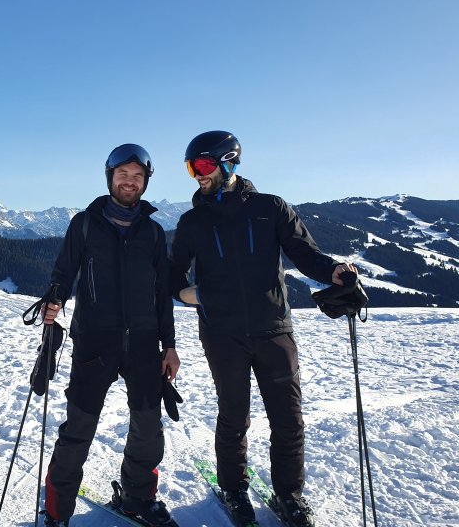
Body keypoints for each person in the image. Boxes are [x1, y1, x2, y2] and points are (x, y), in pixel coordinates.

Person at [169, 131, 357, 527]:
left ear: (229, 163)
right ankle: (234, 489)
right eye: (191, 168)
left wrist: (335, 271)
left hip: (274, 329)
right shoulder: (191, 223)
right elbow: (171, 279)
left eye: (202, 166)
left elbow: (306, 255)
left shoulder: (271, 208)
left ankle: (289, 496)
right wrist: (193, 295)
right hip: (222, 334)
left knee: (288, 418)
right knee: (234, 416)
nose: (197, 176)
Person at [40, 144, 181, 527]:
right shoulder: (84, 224)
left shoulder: (152, 232)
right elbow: (63, 273)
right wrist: (54, 299)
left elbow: (162, 294)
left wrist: (169, 345)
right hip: (93, 342)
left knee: (148, 430)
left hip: (143, 343)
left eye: (138, 176)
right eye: (123, 174)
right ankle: (56, 512)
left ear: (145, 182)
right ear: (110, 177)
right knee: (78, 431)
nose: (130, 182)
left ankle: (138, 498)